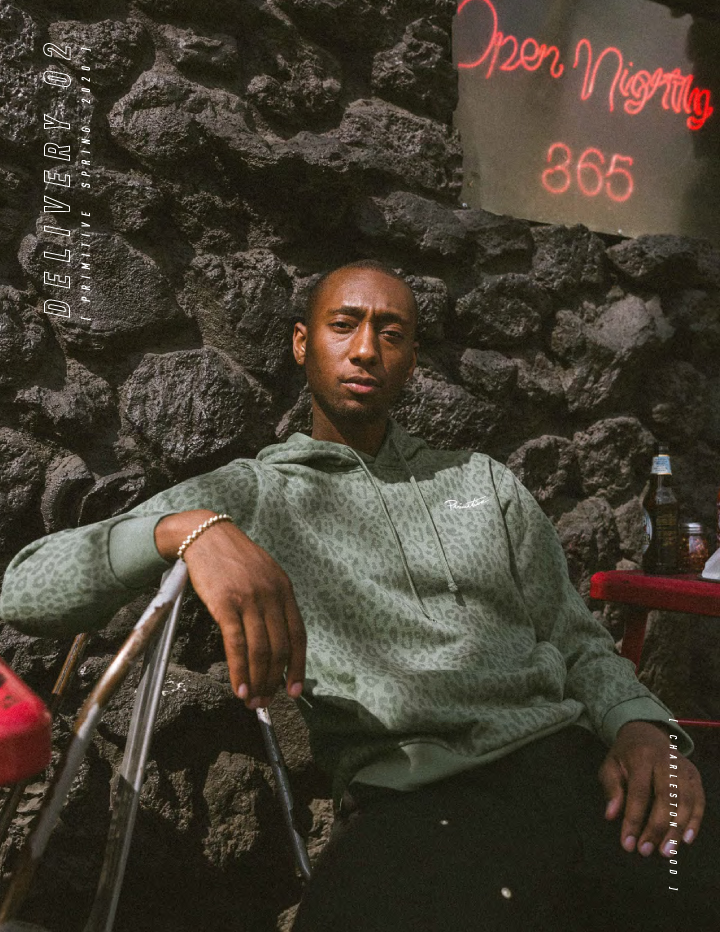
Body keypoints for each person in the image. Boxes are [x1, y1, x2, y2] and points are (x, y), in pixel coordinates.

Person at [1, 260, 718, 930]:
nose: (367, 349)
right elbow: (25, 589)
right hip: (415, 799)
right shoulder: (256, 492)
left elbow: (576, 638)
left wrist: (640, 728)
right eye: (344, 325)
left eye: (391, 333)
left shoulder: (483, 482)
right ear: (301, 344)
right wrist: (186, 529)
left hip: (566, 767)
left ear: (412, 359)